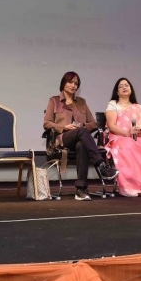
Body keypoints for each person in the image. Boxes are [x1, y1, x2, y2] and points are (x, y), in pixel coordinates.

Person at [43, 71, 119, 201]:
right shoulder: (54, 101)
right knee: (82, 132)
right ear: (63, 83)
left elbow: (93, 123)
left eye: (76, 83)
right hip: (63, 139)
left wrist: (81, 126)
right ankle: (101, 165)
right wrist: (64, 127)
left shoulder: (82, 102)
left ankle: (81, 189)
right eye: (70, 82)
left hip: (80, 138)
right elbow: (47, 123)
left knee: (82, 144)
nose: (73, 85)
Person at [104, 78, 141, 197]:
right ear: (117, 92)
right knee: (129, 145)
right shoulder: (113, 104)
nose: (124, 87)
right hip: (119, 136)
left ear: (131, 89)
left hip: (135, 137)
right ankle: (130, 186)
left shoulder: (137, 107)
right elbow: (111, 125)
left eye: (127, 85)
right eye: (121, 86)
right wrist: (127, 133)